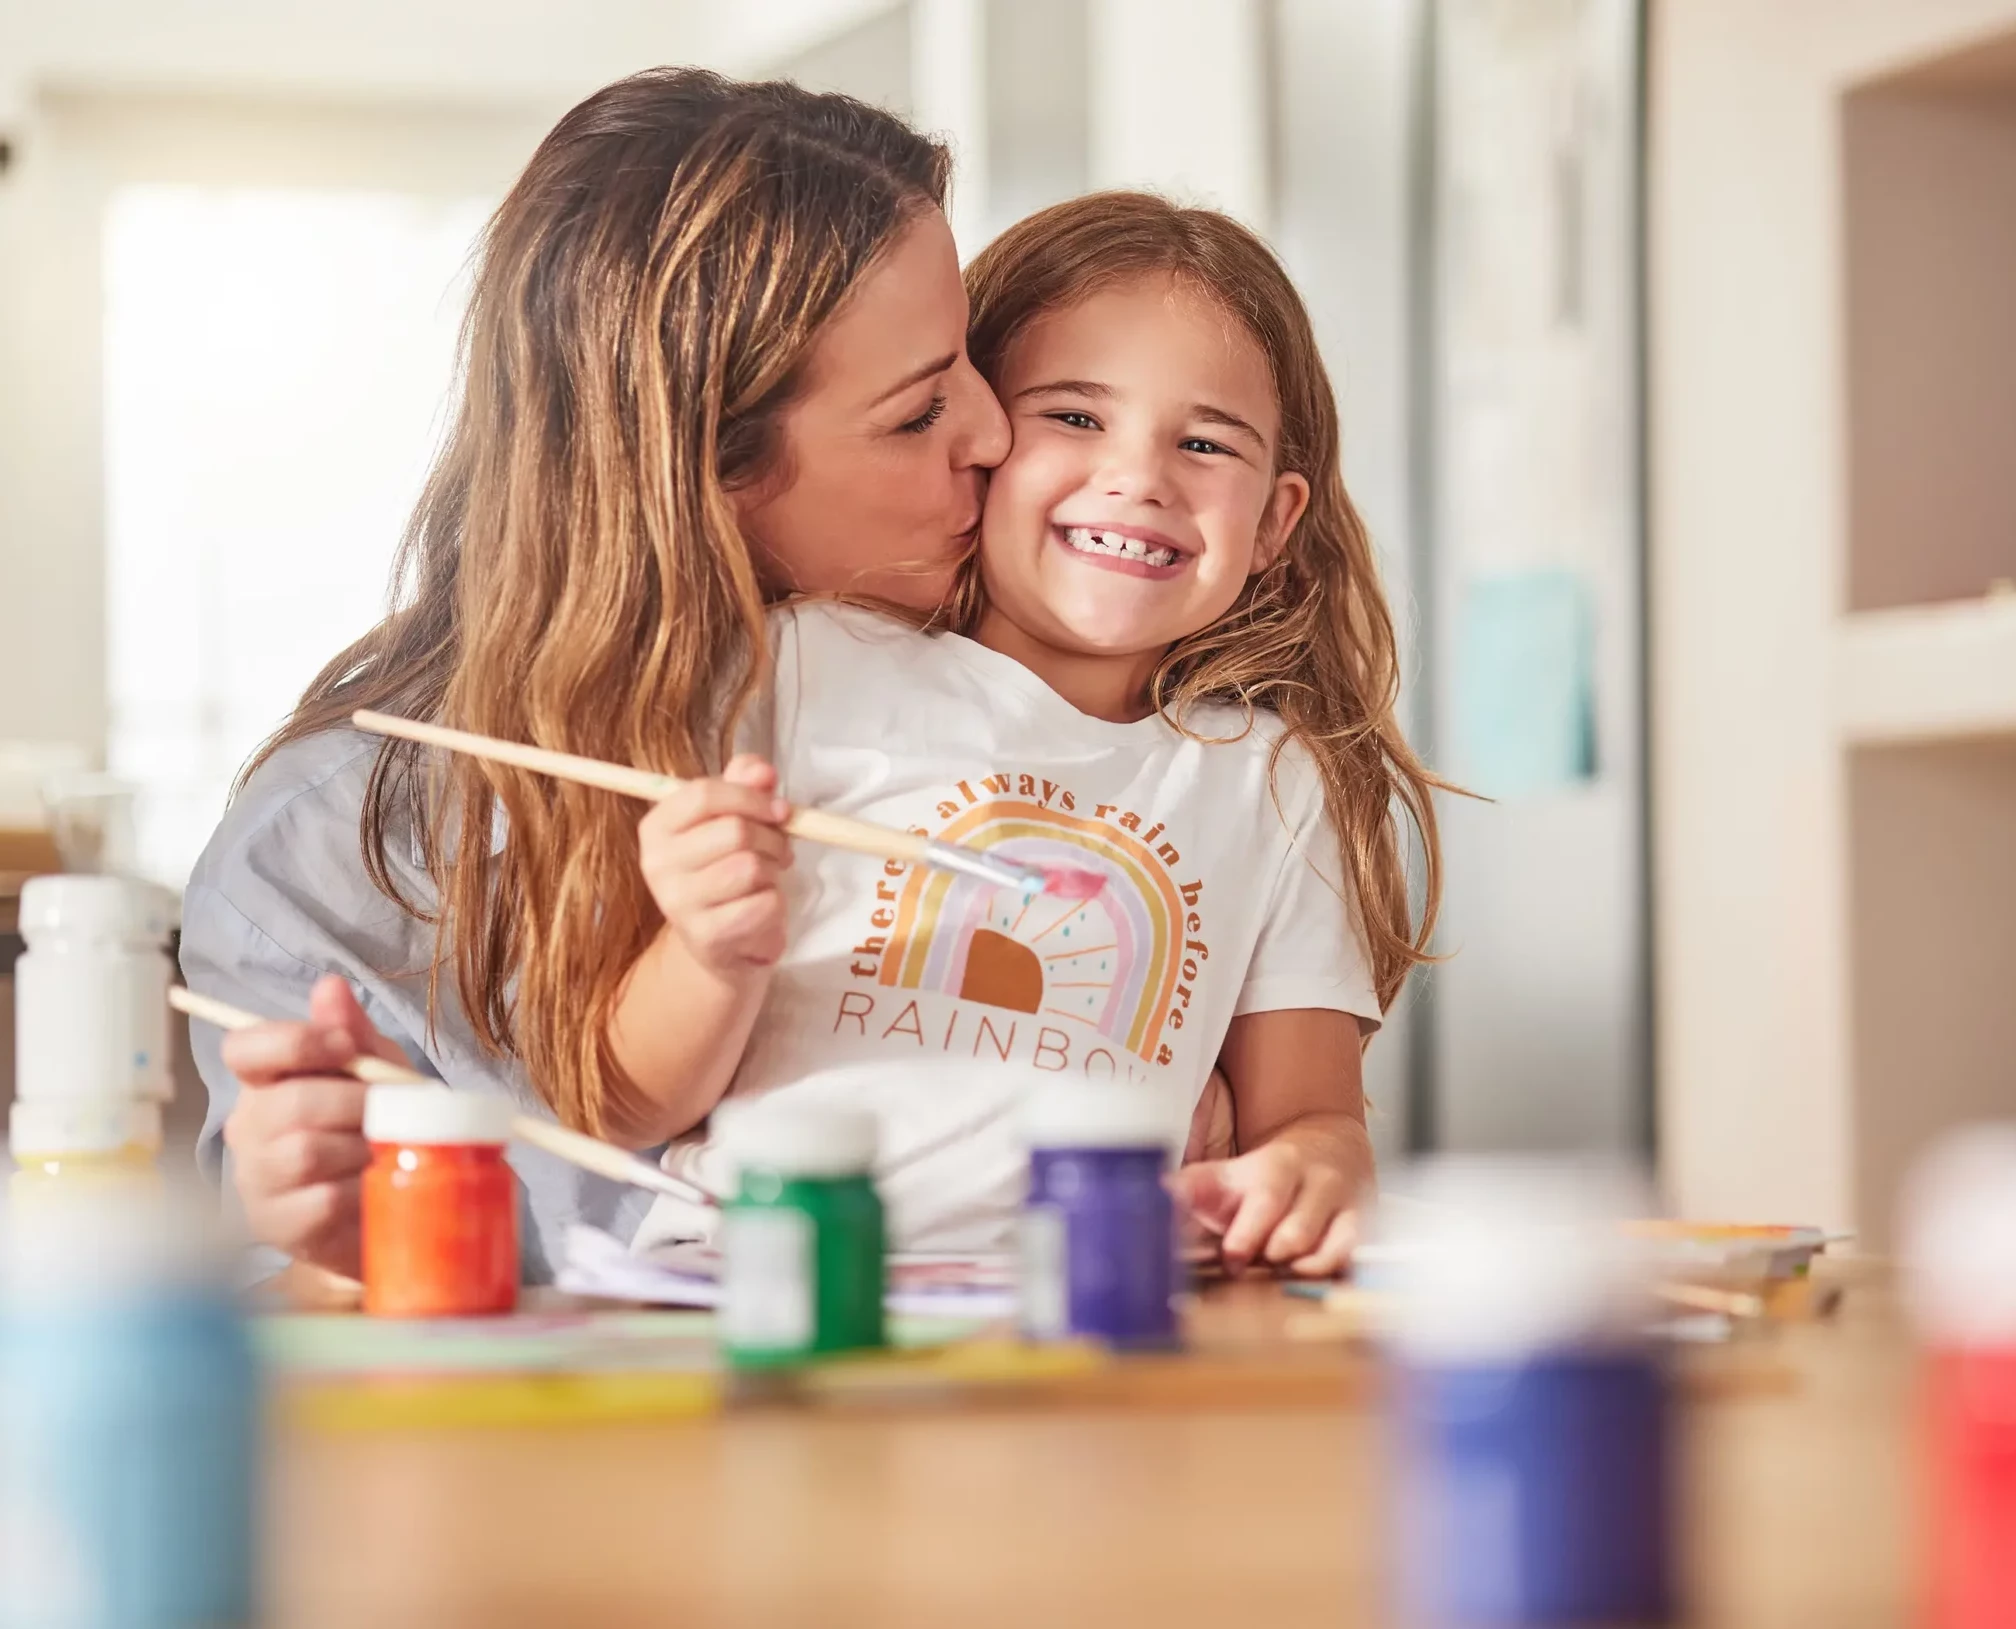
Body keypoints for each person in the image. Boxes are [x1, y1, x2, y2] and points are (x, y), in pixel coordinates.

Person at [181, 68, 1009, 1281]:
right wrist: (316, 1230)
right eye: (917, 411)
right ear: (699, 473)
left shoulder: (1008, 677)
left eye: (969, 361)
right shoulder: (327, 852)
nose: (994, 434)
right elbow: (290, 1304)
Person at [624, 193, 1443, 1275]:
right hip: (750, 1284)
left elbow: (1316, 1121)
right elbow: (630, 1101)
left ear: (1275, 525)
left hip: (1087, 1312)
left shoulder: (1271, 783)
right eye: (1073, 417)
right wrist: (704, 948)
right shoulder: (803, 664)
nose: (1138, 478)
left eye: (1202, 443)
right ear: (976, 443)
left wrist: (1307, 1174)